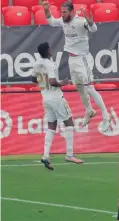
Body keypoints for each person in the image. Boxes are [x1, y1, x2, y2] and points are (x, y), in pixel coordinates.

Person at [42, 1, 111, 132]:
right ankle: (89, 110)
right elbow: (51, 21)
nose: (62, 15)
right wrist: (46, 10)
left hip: (83, 59)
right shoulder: (63, 21)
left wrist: (90, 21)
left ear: (72, 11)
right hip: (72, 60)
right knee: (79, 87)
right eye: (61, 12)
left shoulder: (81, 21)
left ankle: (106, 116)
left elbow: (94, 29)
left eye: (65, 12)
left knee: (89, 88)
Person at [32, 42, 83, 170]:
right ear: (48, 51)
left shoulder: (37, 63)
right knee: (69, 123)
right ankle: (70, 155)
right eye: (49, 48)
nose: (51, 49)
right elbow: (52, 81)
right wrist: (63, 83)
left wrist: (43, 82)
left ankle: (45, 155)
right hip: (56, 98)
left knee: (51, 126)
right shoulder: (50, 64)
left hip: (46, 99)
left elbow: (33, 79)